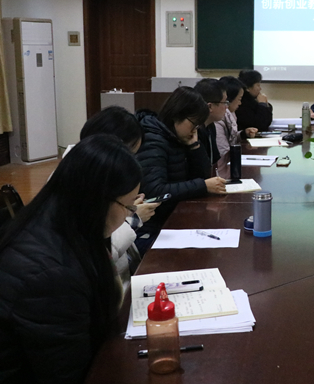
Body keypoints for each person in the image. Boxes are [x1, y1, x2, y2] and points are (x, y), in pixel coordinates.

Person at [0, 135, 142, 384]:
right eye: (129, 208)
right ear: (99, 199)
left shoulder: (69, 220)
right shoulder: (50, 274)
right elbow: (70, 374)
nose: (128, 216)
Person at [72, 106, 161, 290]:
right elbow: (97, 255)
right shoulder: (76, 184)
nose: (131, 162)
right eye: (129, 154)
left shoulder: (97, 174)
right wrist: (133, 218)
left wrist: (126, 206)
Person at [136, 87, 227, 253]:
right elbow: (155, 191)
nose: (195, 130)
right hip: (153, 226)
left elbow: (202, 175)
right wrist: (202, 186)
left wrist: (194, 146)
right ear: (177, 115)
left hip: (173, 217)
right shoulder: (153, 141)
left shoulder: (176, 137)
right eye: (193, 124)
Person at [193, 78, 228, 166]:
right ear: (210, 107)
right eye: (224, 102)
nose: (226, 107)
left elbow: (215, 160)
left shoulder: (210, 126)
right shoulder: (194, 131)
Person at [215, 76, 247, 157]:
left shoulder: (231, 114)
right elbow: (223, 152)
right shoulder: (217, 118)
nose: (240, 103)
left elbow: (231, 138)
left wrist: (243, 134)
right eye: (239, 99)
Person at [235, 69, 272, 133]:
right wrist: (262, 105)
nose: (260, 88)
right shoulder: (241, 104)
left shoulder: (253, 100)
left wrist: (266, 105)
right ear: (247, 88)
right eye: (258, 85)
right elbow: (260, 125)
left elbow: (267, 122)